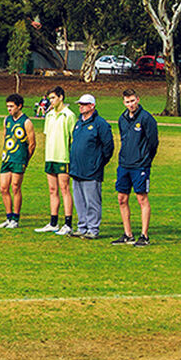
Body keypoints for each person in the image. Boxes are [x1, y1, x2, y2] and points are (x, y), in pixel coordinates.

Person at [115, 89, 155, 246]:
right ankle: (128, 234)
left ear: (138, 99)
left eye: (132, 101)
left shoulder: (146, 118)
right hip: (124, 164)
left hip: (140, 166)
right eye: (127, 102)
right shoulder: (122, 119)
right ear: (123, 102)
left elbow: (153, 142)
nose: (130, 104)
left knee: (141, 198)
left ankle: (144, 236)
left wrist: (145, 160)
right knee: (122, 198)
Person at [69, 93, 112, 240]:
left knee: (92, 201)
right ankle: (82, 227)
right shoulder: (79, 123)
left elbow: (108, 147)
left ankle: (93, 228)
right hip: (76, 169)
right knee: (79, 201)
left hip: (92, 170)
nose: (81, 107)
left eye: (84, 104)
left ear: (92, 106)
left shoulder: (100, 124)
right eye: (80, 104)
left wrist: (98, 162)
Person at [40, 87, 75, 234]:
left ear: (61, 97)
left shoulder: (69, 115)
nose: (51, 101)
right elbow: (48, 135)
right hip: (50, 157)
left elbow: (73, 138)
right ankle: (53, 222)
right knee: (52, 190)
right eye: (50, 98)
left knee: (64, 189)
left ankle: (68, 223)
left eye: (53, 98)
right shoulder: (49, 115)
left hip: (63, 157)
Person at [0, 94, 31, 230]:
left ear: (19, 106)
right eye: (7, 106)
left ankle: (16, 219)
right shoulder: (7, 120)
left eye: (11, 106)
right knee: (3, 188)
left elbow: (32, 143)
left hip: (19, 159)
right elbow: (5, 136)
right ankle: (8, 217)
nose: (9, 109)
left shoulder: (26, 122)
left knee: (15, 187)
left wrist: (25, 159)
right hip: (7, 158)